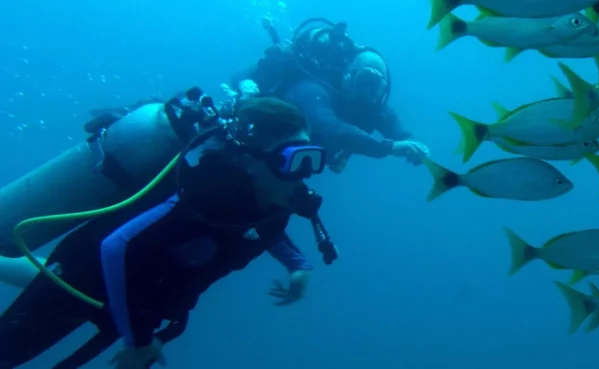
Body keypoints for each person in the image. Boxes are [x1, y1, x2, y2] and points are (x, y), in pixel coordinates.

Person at [0, 95, 331, 369]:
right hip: (83, 279)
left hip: (132, 302)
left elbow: (259, 234)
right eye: (296, 159)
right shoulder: (202, 194)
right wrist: (137, 341)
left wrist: (299, 265)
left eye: (312, 159)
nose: (307, 174)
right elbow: (116, 246)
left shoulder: (272, 210)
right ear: (254, 160)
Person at [232, 17, 431, 174]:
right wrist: (387, 148)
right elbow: (328, 126)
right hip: (261, 152)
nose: (367, 91)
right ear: (347, 75)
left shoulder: (367, 100)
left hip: (295, 163)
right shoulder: (314, 88)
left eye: (375, 85)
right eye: (363, 80)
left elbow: (387, 118)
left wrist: (410, 141)